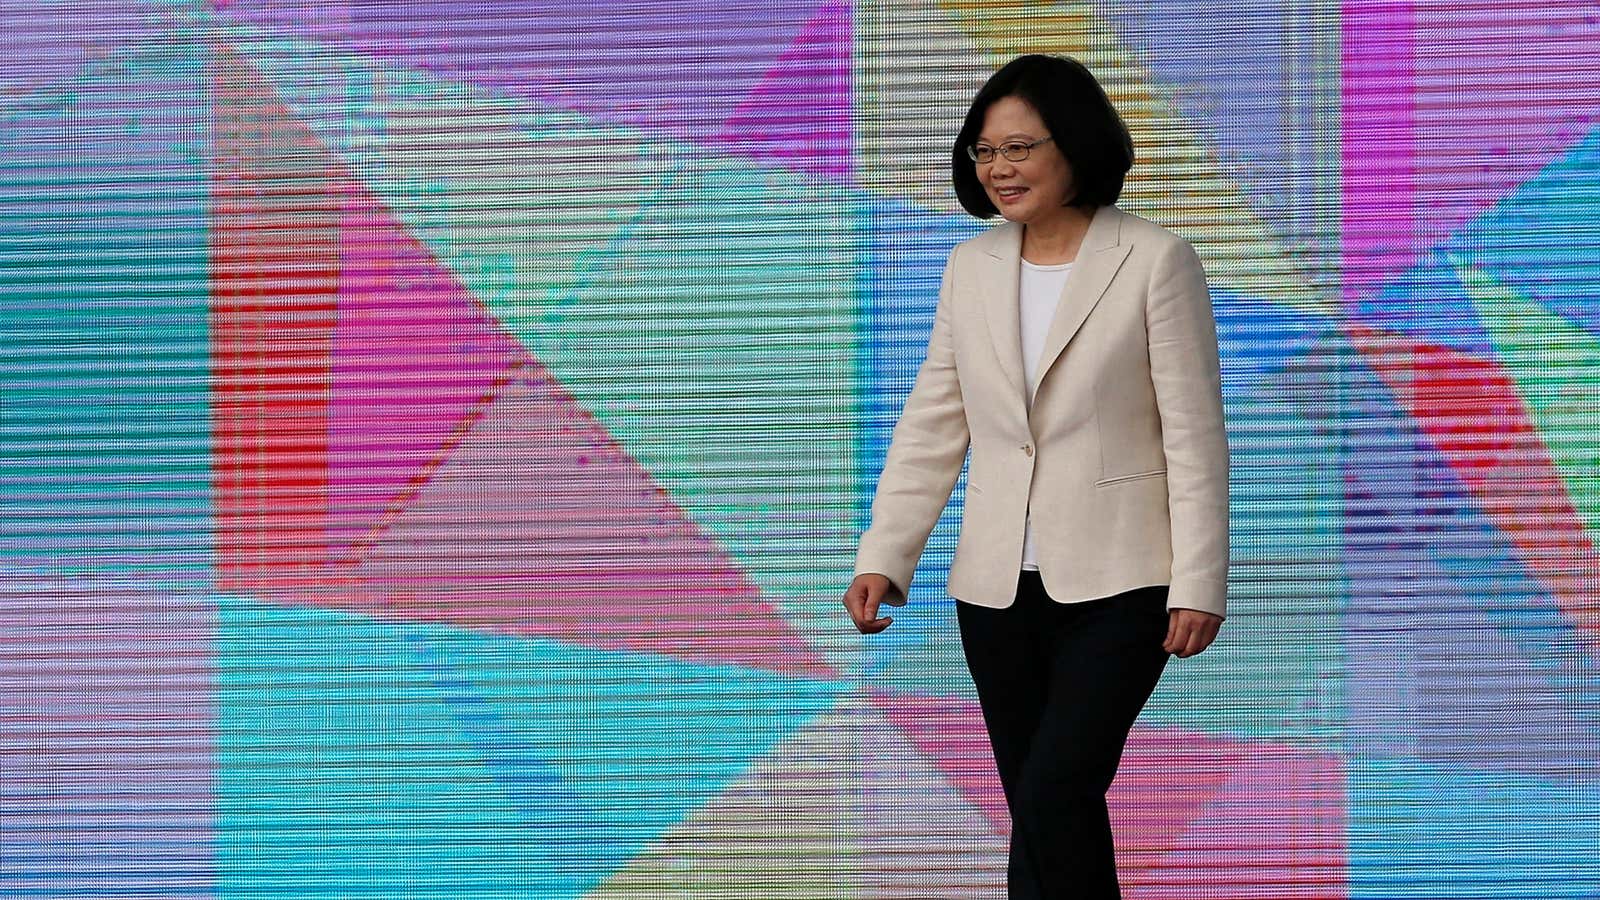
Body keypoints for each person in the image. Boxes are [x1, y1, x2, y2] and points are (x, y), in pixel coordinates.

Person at [842, 54, 1229, 899]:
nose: (1000, 168)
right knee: (1039, 806)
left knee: (1057, 789)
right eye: (984, 152)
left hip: (1125, 581)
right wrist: (886, 553)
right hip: (994, 587)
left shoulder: (1156, 260)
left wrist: (1199, 581)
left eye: (1019, 147)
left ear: (1077, 145)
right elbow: (934, 423)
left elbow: (1195, 434)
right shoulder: (970, 268)